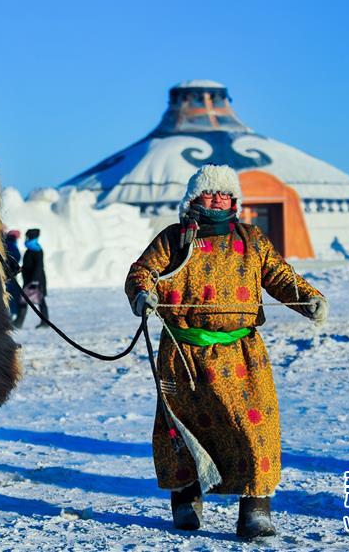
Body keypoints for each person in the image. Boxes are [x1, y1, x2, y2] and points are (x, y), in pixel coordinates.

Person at [124, 164, 328, 539]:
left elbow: (280, 276)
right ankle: (186, 500)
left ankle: (255, 508)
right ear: (193, 198)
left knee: (254, 429)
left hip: (241, 354)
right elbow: (141, 272)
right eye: (209, 193)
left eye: (225, 194)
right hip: (184, 355)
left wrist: (309, 299)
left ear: (234, 200)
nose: (217, 199)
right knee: (184, 429)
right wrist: (142, 294)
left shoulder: (252, 239)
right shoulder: (174, 240)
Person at [14, 228, 49, 329]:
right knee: (24, 301)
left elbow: (39, 267)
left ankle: (44, 322)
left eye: (28, 236)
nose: (26, 238)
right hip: (29, 280)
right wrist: (21, 269)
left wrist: (34, 281)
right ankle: (18, 322)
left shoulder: (37, 250)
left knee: (39, 302)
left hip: (35, 282)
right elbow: (28, 265)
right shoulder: (30, 249)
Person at [4, 230, 22, 318]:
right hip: (10, 274)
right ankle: (12, 314)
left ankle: (11, 314)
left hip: (8, 274)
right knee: (12, 294)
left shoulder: (6, 243)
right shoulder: (11, 244)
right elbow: (16, 256)